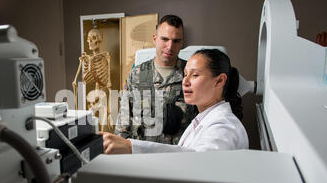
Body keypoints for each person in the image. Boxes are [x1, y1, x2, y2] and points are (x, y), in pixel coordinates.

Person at [103, 49, 249, 154]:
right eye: (185, 74)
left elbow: (197, 165)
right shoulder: (202, 120)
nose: (185, 81)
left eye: (195, 75)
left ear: (219, 81)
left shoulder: (223, 128)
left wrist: (131, 147)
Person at [115, 14, 193, 145]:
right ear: (155, 39)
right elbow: (124, 120)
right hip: (142, 154)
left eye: (176, 41)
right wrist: (118, 149)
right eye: (165, 39)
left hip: (178, 155)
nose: (170, 46)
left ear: (182, 42)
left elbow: (203, 119)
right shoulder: (136, 74)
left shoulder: (191, 74)